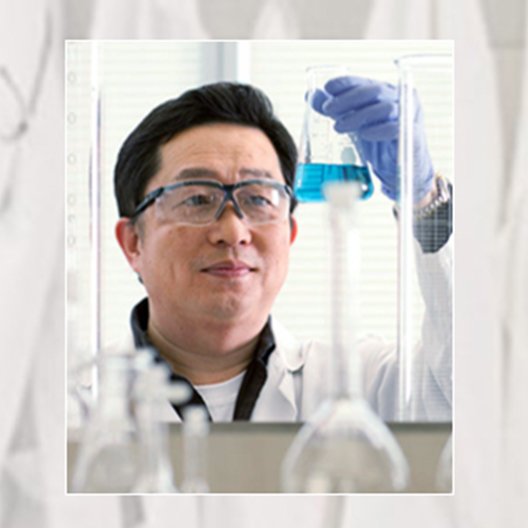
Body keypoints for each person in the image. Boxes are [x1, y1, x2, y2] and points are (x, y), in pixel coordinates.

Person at [113, 78, 452, 422]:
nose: (233, 232)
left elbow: (474, 389)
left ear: (289, 235)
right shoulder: (73, 403)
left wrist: (424, 201)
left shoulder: (363, 386)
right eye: (198, 199)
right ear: (133, 243)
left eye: (258, 198)